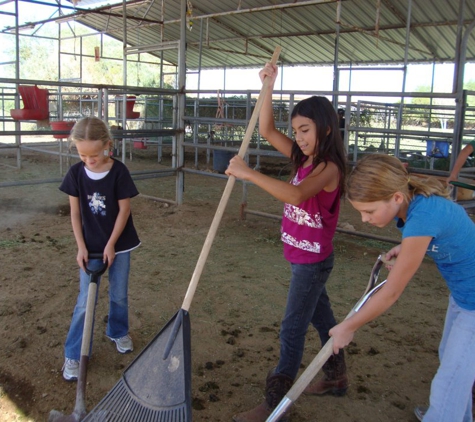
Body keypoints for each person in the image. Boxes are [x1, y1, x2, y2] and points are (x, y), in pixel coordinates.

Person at [225, 63, 348, 422]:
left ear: (325, 127)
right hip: (304, 257)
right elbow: (265, 129)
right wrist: (269, 86)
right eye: (296, 131)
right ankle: (336, 375)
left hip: (312, 261)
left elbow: (295, 196)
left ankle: (276, 403)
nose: (299, 137)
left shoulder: (328, 168)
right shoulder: (304, 157)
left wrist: (249, 173)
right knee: (323, 321)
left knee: (292, 327)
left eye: (305, 129)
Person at [330, 153, 475, 422]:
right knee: (453, 364)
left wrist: (349, 326)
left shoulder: (422, 217)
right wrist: (405, 247)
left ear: (396, 197)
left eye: (369, 211)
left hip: (472, 302)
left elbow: (392, 292)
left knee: (450, 380)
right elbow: (445, 234)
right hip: (464, 296)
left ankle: (443, 415)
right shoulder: (417, 206)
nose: (364, 219)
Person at [59, 116, 141, 381]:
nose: (89, 160)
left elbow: (124, 210)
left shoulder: (119, 172)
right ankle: (74, 354)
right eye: (83, 155)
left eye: (94, 154)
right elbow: (74, 214)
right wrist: (81, 247)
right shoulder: (75, 174)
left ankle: (117, 331)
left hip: (120, 243)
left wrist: (111, 245)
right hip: (90, 246)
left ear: (108, 145)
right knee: (85, 301)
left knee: (118, 295)